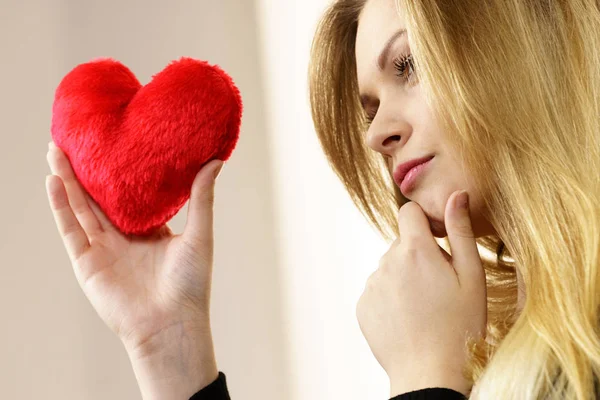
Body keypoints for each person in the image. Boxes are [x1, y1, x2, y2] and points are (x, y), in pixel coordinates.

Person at [45, 0, 600, 399]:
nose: (373, 134)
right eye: (369, 107)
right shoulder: (506, 351)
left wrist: (424, 377)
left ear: (530, 45)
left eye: (408, 65)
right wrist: (168, 345)